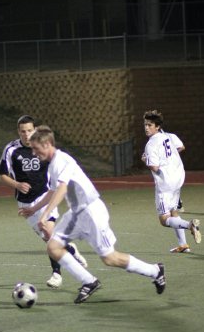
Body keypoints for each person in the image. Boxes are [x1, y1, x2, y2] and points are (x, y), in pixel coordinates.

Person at [20, 126, 166, 303]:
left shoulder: (62, 160)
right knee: (53, 247)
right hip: (76, 214)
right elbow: (52, 191)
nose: (34, 153)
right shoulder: (52, 166)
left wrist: (45, 215)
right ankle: (89, 282)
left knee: (110, 258)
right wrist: (34, 210)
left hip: (92, 212)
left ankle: (155, 271)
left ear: (48, 143)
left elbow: (62, 188)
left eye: (36, 148)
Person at [0, 115, 88, 289]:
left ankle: (56, 274)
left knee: (49, 233)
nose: (26, 134)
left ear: (35, 130)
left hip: (45, 195)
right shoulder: (11, 150)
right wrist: (16, 184)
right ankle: (70, 249)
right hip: (25, 203)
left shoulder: (41, 147)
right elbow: (1, 175)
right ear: (18, 132)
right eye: (22, 131)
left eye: (29, 130)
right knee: (49, 239)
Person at [142, 109, 201, 253]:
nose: (146, 128)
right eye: (145, 125)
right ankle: (183, 245)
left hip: (165, 183)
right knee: (174, 211)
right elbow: (181, 147)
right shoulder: (169, 136)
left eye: (150, 125)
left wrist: (145, 160)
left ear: (157, 127)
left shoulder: (151, 144)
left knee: (164, 219)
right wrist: (168, 157)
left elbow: (154, 167)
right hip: (178, 177)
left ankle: (190, 225)